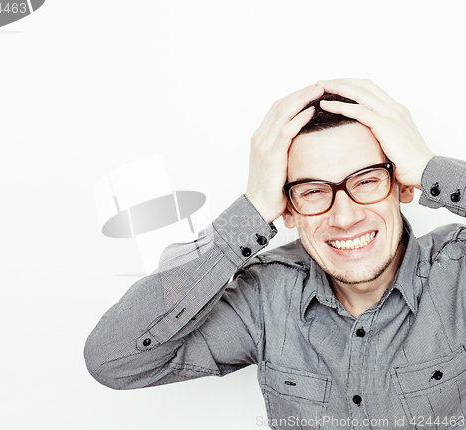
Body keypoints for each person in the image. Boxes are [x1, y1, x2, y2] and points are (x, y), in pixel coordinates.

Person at [84, 79, 466, 429]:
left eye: (367, 181)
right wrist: (249, 212)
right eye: (313, 191)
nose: (345, 217)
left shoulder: (456, 270)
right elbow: (113, 360)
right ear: (286, 208)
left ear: (402, 185)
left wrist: (429, 168)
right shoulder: (265, 296)